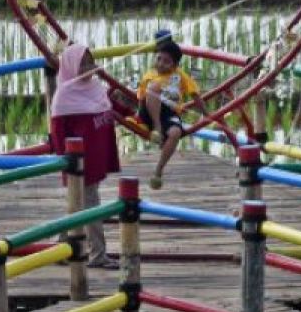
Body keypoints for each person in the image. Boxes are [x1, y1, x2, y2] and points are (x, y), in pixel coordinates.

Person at [49, 43, 122, 269]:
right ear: (70, 66)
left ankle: (59, 249)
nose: (89, 67)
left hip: (97, 157)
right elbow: (59, 135)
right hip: (78, 163)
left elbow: (113, 115)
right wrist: (68, 164)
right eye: (83, 64)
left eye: (91, 62)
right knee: (91, 206)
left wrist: (119, 97)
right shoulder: (64, 96)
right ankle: (97, 253)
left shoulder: (97, 89)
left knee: (78, 204)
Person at [137, 38, 207, 190]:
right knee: (154, 87)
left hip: (169, 113)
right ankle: (157, 128)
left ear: (175, 65)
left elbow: (195, 95)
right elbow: (141, 98)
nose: (161, 63)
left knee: (175, 132)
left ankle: (159, 169)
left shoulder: (180, 76)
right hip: (150, 111)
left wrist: (206, 114)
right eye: (159, 59)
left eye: (166, 61)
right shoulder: (150, 75)